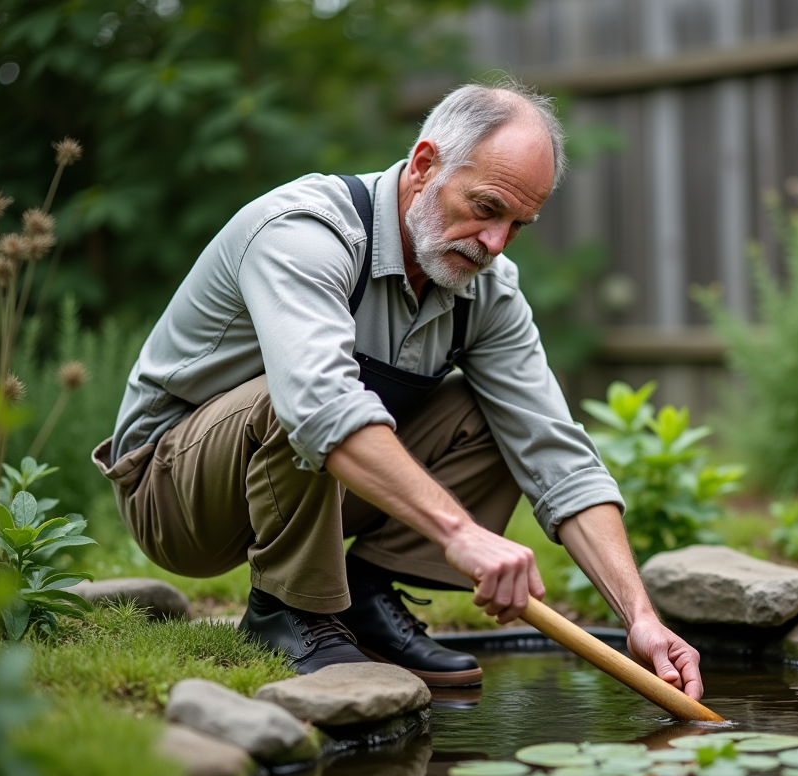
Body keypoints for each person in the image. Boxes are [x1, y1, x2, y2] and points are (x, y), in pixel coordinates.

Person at [93, 79, 704, 699]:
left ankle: (364, 595)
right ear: (424, 164)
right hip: (177, 495)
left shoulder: (486, 289)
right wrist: (461, 535)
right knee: (303, 396)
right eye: (487, 207)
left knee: (495, 416)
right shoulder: (305, 232)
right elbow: (320, 407)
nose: (494, 243)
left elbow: (555, 453)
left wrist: (640, 617)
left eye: (518, 224)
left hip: (310, 488)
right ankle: (287, 609)